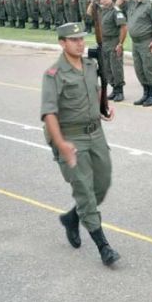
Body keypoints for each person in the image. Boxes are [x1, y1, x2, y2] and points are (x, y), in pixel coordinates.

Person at [40, 22, 119, 266]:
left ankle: (73, 217)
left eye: (81, 39)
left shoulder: (89, 65)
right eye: (73, 40)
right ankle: (103, 246)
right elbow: (49, 114)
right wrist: (61, 143)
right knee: (84, 189)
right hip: (71, 138)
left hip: (96, 133)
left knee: (102, 183)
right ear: (62, 43)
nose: (79, 43)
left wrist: (103, 106)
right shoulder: (54, 74)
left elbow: (94, 90)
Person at [116, 0, 152, 106]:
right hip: (135, 42)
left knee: (149, 69)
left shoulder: (150, 4)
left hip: (146, 41)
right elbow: (118, 3)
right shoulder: (132, 3)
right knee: (139, 70)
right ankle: (145, 94)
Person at [86, 0, 127, 102]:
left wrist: (120, 44)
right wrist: (94, 1)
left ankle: (119, 91)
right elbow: (89, 12)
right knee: (107, 68)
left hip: (113, 41)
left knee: (116, 67)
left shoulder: (115, 10)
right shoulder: (100, 9)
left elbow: (123, 28)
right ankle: (114, 89)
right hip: (104, 42)